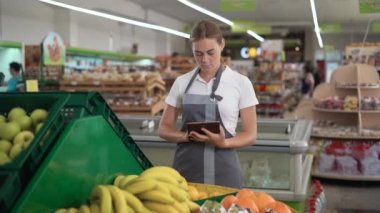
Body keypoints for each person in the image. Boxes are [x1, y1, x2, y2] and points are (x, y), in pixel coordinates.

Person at [158, 20, 259, 188]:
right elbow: (164, 128)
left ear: (222, 45)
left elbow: (250, 134)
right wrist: (185, 136)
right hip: (186, 169)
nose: (204, 60)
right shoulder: (182, 82)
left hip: (224, 169)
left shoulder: (241, 83)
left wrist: (224, 142)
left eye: (210, 52)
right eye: (198, 54)